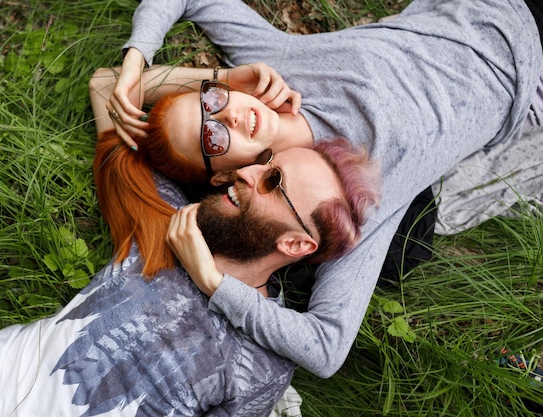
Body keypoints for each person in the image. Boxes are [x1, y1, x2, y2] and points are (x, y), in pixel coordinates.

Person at [99, 0, 543, 379]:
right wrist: (215, 284)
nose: (230, 118)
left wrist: (142, 62)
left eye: (213, 103)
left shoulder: (275, 63)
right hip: (533, 63)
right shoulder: (347, 202)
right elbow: (326, 348)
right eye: (212, 138)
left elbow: (104, 83)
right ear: (222, 177)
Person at [0, 131, 380, 416]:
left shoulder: (267, 364)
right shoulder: (169, 214)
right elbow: (114, 99)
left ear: (296, 244)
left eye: (273, 182)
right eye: (265, 160)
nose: (248, 172)